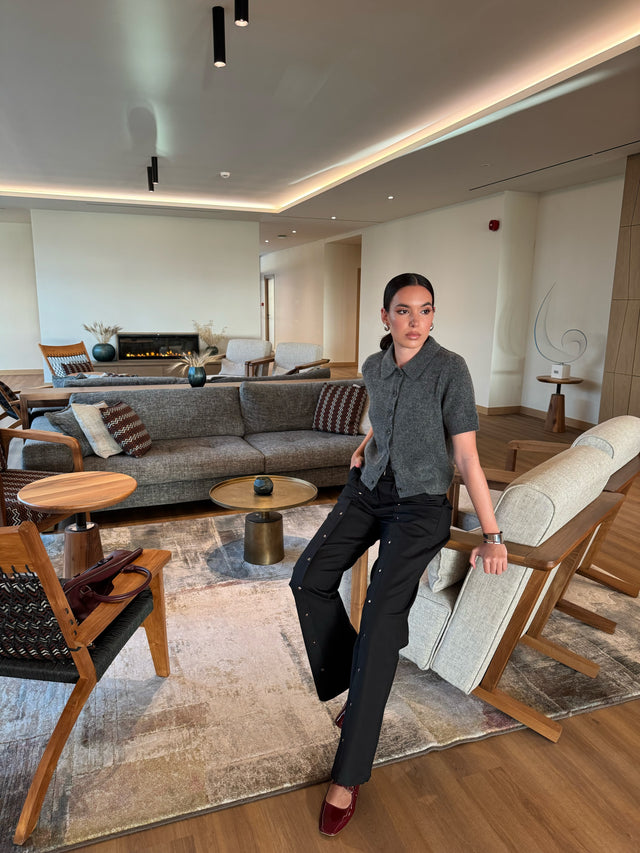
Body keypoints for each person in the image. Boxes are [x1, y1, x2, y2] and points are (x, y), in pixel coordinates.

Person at [289, 272, 508, 836]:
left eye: (426, 310)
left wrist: (492, 533)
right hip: (370, 489)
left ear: (434, 316)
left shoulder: (450, 369)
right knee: (308, 576)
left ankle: (349, 774)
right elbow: (382, 419)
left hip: (420, 507)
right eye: (404, 311)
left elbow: (466, 457)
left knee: (382, 624)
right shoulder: (373, 365)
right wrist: (366, 443)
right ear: (384, 317)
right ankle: (356, 692)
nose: (415, 321)